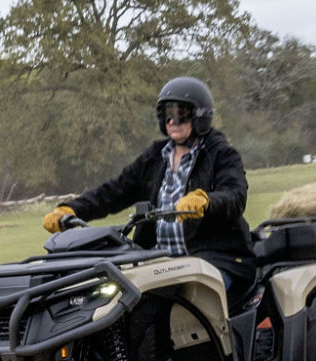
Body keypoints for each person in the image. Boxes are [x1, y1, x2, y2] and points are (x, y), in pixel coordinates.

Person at [43, 77, 256, 309]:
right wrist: (72, 209)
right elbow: (115, 191)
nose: (172, 120)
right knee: (120, 304)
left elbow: (235, 195)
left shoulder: (221, 154)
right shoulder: (155, 157)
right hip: (159, 264)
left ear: (199, 116)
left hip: (214, 260)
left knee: (187, 309)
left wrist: (206, 201)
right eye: (167, 113)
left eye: (181, 112)